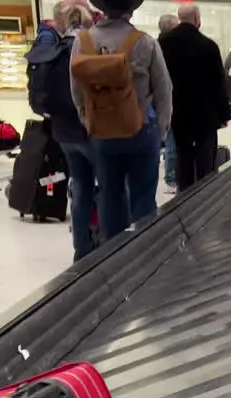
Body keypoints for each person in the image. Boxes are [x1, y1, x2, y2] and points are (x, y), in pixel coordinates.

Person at [71, 0, 172, 240]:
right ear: (131, 10)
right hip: (141, 130)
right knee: (143, 196)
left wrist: (89, 122)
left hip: (102, 132)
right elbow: (163, 90)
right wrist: (162, 130)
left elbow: (76, 91)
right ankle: (143, 249)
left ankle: (114, 252)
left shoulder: (82, 42)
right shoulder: (145, 42)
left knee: (109, 194)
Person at [31, 0, 98, 260]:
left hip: (63, 130)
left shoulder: (52, 50)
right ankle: (105, 240)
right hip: (88, 129)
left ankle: (81, 248)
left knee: (79, 186)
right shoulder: (88, 50)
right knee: (106, 185)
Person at [157, 3, 227, 191]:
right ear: (197, 19)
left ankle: (184, 192)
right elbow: (218, 83)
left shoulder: (163, 44)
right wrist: (223, 114)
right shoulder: (208, 45)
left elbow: (158, 80)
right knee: (205, 155)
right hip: (205, 113)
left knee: (183, 154)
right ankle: (205, 191)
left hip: (177, 110)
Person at [157, 12, 179, 191]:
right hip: (170, 100)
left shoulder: (156, 45)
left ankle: (171, 175)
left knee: (169, 139)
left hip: (160, 100)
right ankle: (171, 176)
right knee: (172, 141)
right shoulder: (170, 47)